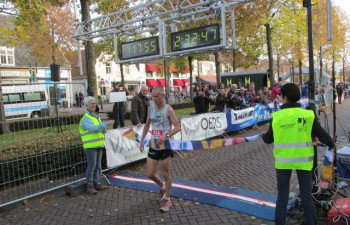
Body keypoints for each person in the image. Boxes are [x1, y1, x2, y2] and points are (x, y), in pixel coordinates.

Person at [261, 83, 335, 225]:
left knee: (282, 196)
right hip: (303, 161)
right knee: (306, 195)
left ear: (285, 97)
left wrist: (263, 135)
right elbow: (322, 134)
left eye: (281, 95)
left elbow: (269, 139)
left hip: (283, 162)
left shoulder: (276, 117)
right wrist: (331, 144)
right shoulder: (308, 115)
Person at [139, 86, 181, 212]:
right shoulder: (151, 108)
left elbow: (178, 127)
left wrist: (166, 135)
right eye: (153, 96)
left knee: (166, 173)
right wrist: (141, 141)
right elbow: (147, 125)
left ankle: (167, 200)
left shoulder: (169, 109)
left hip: (165, 145)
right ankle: (162, 186)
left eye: (157, 96)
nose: (154, 98)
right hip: (154, 144)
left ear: (163, 96)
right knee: (150, 173)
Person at [79, 96, 115, 194]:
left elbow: (97, 129)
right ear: (86, 105)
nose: (94, 105)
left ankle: (97, 182)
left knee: (97, 165)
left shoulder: (95, 116)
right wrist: (106, 124)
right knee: (92, 166)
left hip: (98, 145)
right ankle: (90, 185)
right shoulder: (86, 118)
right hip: (91, 146)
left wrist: (103, 129)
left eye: (95, 103)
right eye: (92, 103)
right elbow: (93, 128)